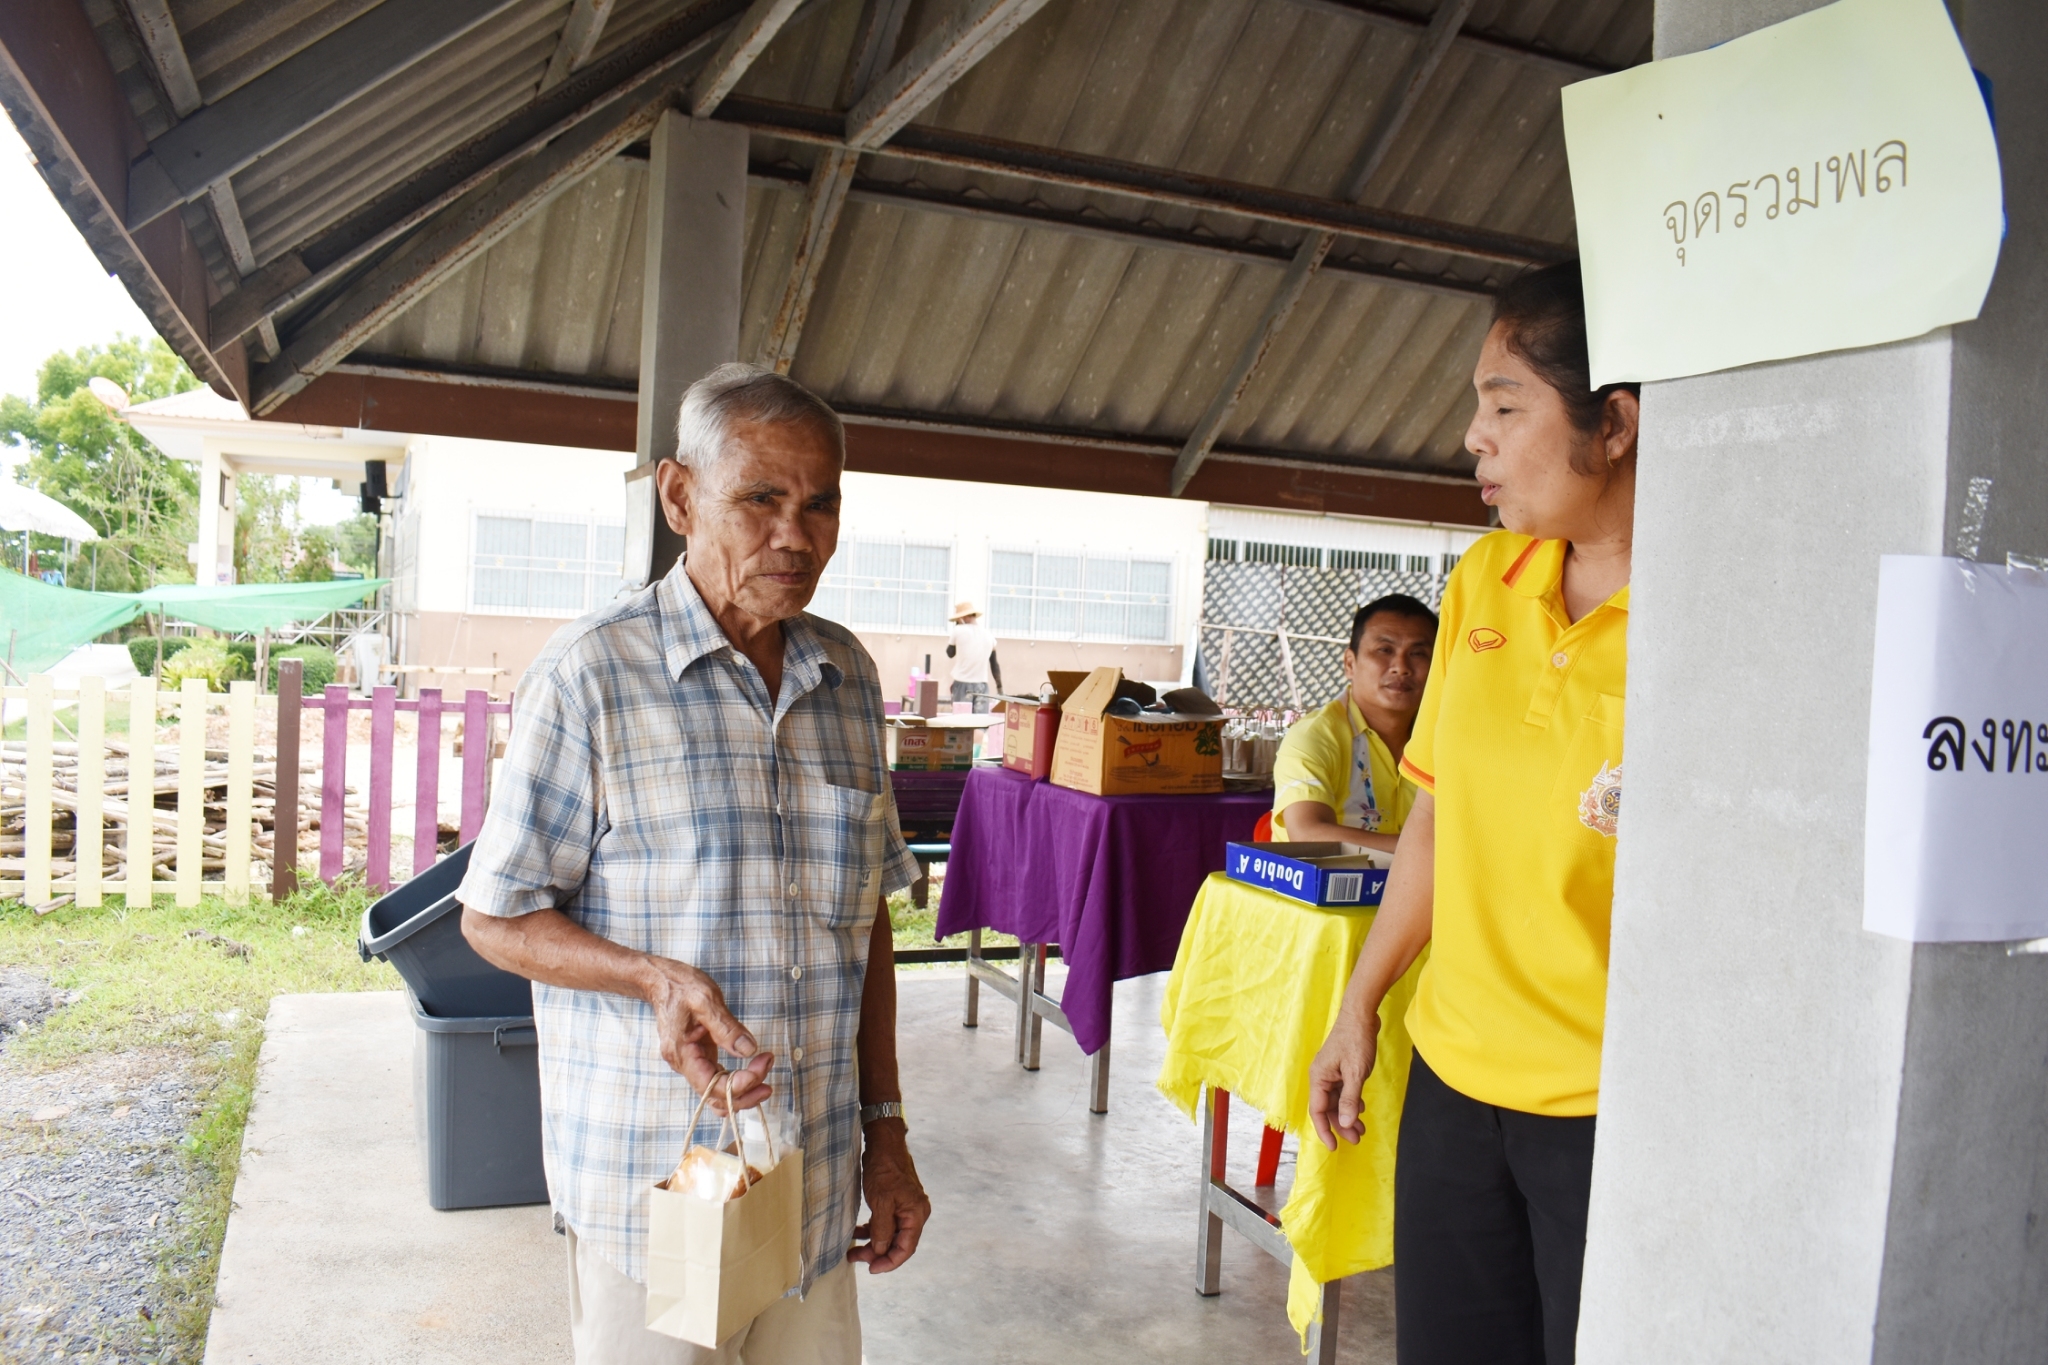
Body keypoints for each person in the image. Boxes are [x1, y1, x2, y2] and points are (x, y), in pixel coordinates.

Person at [458, 363, 932, 1365]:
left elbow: (866, 923)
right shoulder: (590, 675)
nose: (795, 536)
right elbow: (492, 918)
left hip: (812, 1185)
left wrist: (885, 1133)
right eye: (759, 499)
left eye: (820, 505)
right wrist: (651, 977)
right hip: (660, 1184)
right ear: (679, 498)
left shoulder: (845, 677)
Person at [1306, 261, 1638, 1365]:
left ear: (1615, 424)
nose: (1472, 437)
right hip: (1453, 1081)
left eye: (1504, 407)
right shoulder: (1486, 578)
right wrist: (1361, 1004)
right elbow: (1438, 818)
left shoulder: (1711, 612)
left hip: (1606, 1106)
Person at [1269, 594, 1437, 854]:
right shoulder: (1315, 736)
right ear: (1350, 663)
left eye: (1418, 653)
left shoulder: (1448, 742)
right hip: (1323, 881)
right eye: (1385, 650)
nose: (1401, 667)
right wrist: (1431, 854)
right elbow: (1309, 834)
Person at [943, 600, 1000, 711]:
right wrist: (1000, 687)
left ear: (963, 617)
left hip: (962, 683)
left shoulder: (958, 630)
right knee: (980, 721)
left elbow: (950, 653)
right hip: (982, 685)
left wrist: (958, 625)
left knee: (961, 719)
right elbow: (994, 664)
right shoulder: (989, 635)